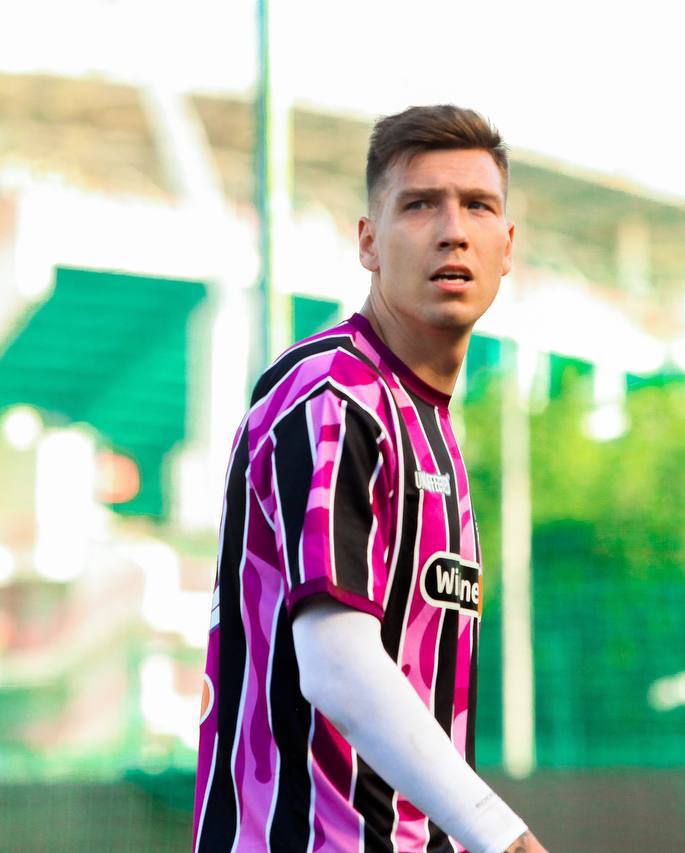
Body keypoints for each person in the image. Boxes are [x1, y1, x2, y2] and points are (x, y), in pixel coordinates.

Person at [193, 105, 547, 853]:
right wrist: (504, 838)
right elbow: (338, 664)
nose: (453, 231)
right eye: (419, 205)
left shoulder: (429, 426)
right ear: (367, 242)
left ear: (507, 247)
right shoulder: (334, 394)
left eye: (478, 206)